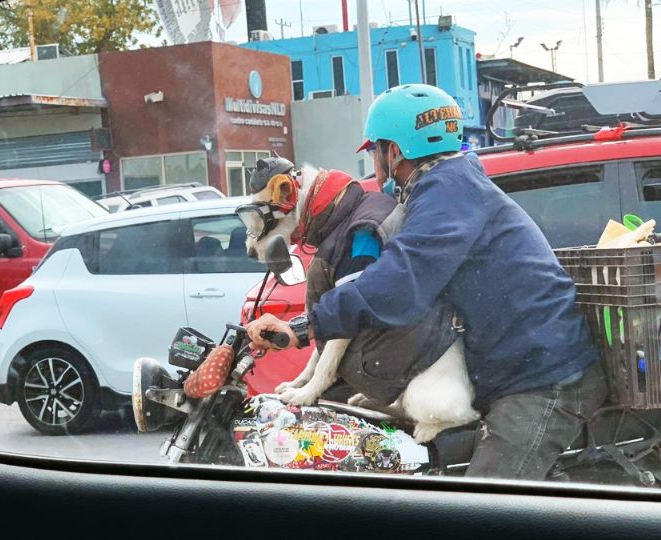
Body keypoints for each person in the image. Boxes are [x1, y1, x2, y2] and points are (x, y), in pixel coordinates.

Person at [246, 84, 606, 480]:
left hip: (545, 379)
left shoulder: (449, 194)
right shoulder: (446, 188)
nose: (374, 165)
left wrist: (307, 326)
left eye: (374, 152)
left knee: (484, 512)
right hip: (512, 370)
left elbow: (399, 282)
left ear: (394, 151)